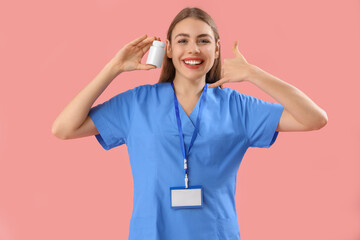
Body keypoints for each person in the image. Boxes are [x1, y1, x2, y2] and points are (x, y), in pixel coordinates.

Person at [52, 7, 328, 240]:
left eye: (204, 41)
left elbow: (314, 119)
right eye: (182, 41)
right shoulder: (136, 103)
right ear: (168, 49)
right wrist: (112, 68)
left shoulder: (237, 106)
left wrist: (253, 74)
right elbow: (64, 128)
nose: (193, 49)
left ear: (217, 49)